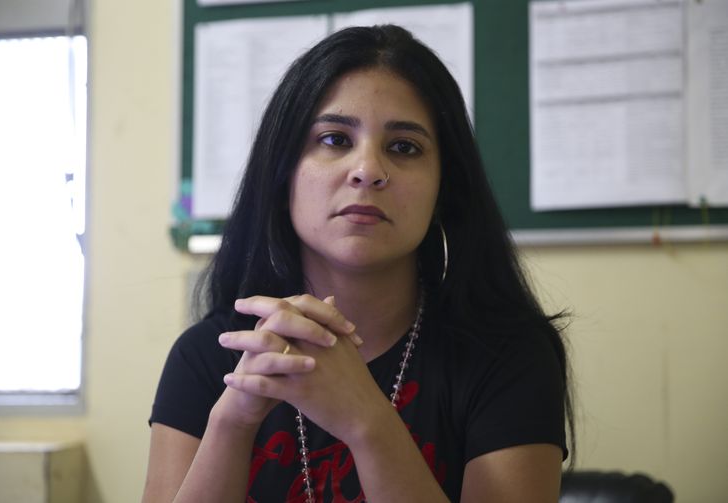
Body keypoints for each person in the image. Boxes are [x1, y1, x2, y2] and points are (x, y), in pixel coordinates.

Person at [143, 24, 573, 503]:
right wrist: (233, 420)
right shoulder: (210, 354)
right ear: (283, 173)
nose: (367, 170)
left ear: (444, 189)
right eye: (334, 139)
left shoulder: (508, 356)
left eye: (404, 147)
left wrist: (366, 421)